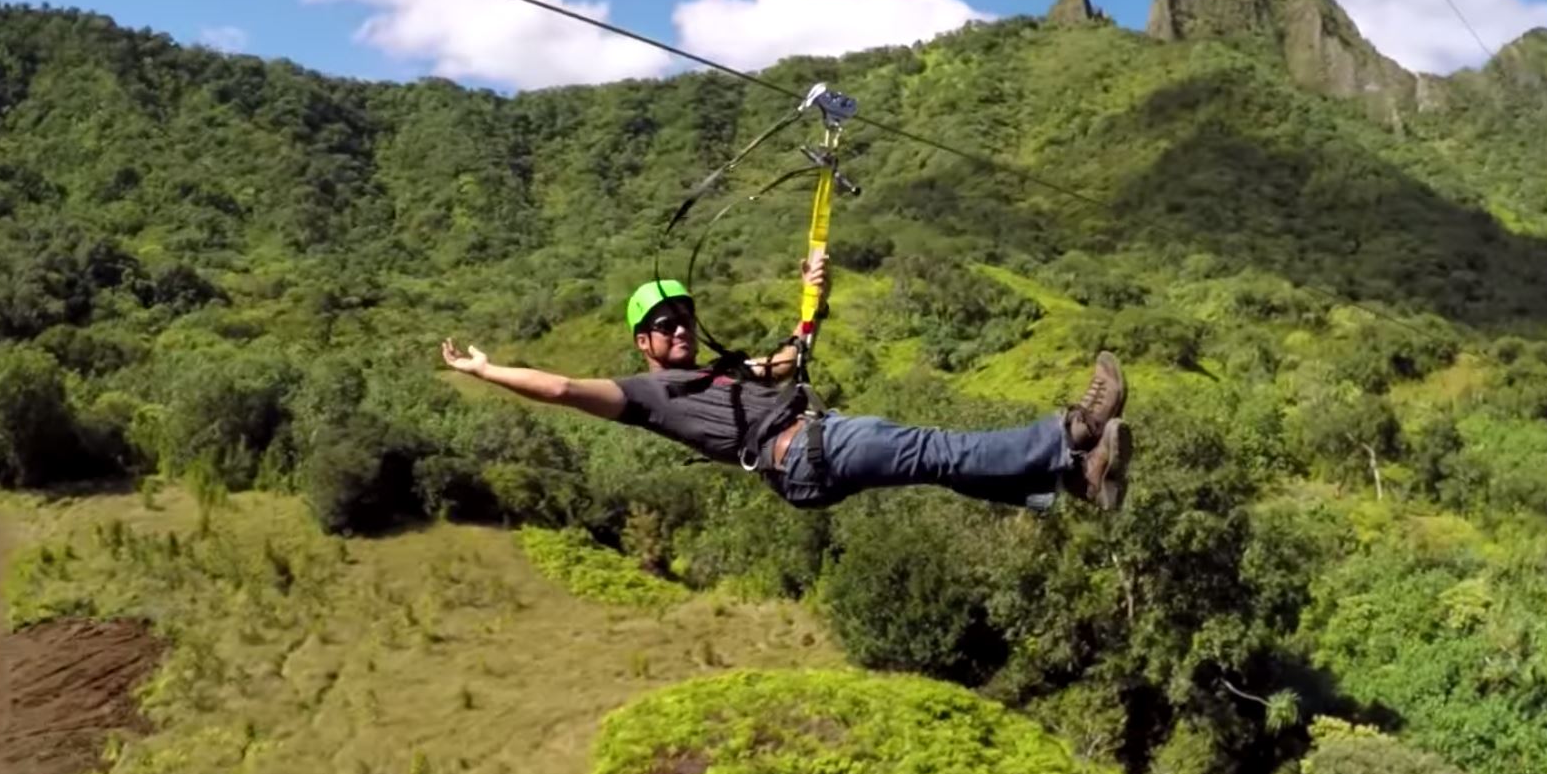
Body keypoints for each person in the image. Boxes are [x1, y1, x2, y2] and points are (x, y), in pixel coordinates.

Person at [440, 252, 1131, 512]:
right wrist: (485, 369)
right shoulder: (646, 395)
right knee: (932, 447)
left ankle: (1073, 478)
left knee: (936, 465)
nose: (678, 330)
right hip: (802, 453)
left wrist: (812, 296)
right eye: (663, 325)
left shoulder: (722, 374)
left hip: (807, 457)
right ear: (641, 342)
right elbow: (560, 389)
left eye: (683, 319)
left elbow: (791, 355)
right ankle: (1069, 432)